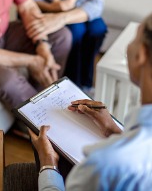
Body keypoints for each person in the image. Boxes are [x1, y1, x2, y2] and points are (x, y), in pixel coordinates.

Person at [29, 13, 152, 190]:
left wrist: (48, 162)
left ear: (141, 55)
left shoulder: (105, 164)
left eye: (135, 37)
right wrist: (113, 130)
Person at [22, 0, 107, 92]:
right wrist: (51, 7)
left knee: (98, 28)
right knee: (77, 30)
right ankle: (71, 84)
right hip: (38, 7)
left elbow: (96, 3)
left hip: (69, 5)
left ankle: (85, 83)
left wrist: (61, 17)